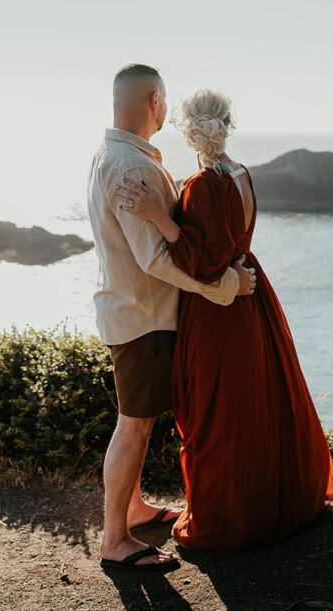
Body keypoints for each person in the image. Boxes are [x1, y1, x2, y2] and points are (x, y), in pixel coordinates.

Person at [115, 88, 333, 553]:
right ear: (227, 123)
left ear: (186, 127)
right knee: (254, 405)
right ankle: (269, 505)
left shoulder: (203, 183)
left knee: (217, 414)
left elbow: (203, 261)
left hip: (219, 309)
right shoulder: (240, 173)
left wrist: (159, 214)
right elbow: (227, 243)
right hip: (251, 300)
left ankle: (228, 518)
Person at [87, 65, 258, 571]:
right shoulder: (134, 166)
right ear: (156, 101)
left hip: (128, 308)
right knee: (134, 426)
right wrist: (226, 286)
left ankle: (134, 508)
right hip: (144, 316)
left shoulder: (111, 153)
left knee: (135, 422)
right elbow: (157, 259)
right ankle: (115, 539)